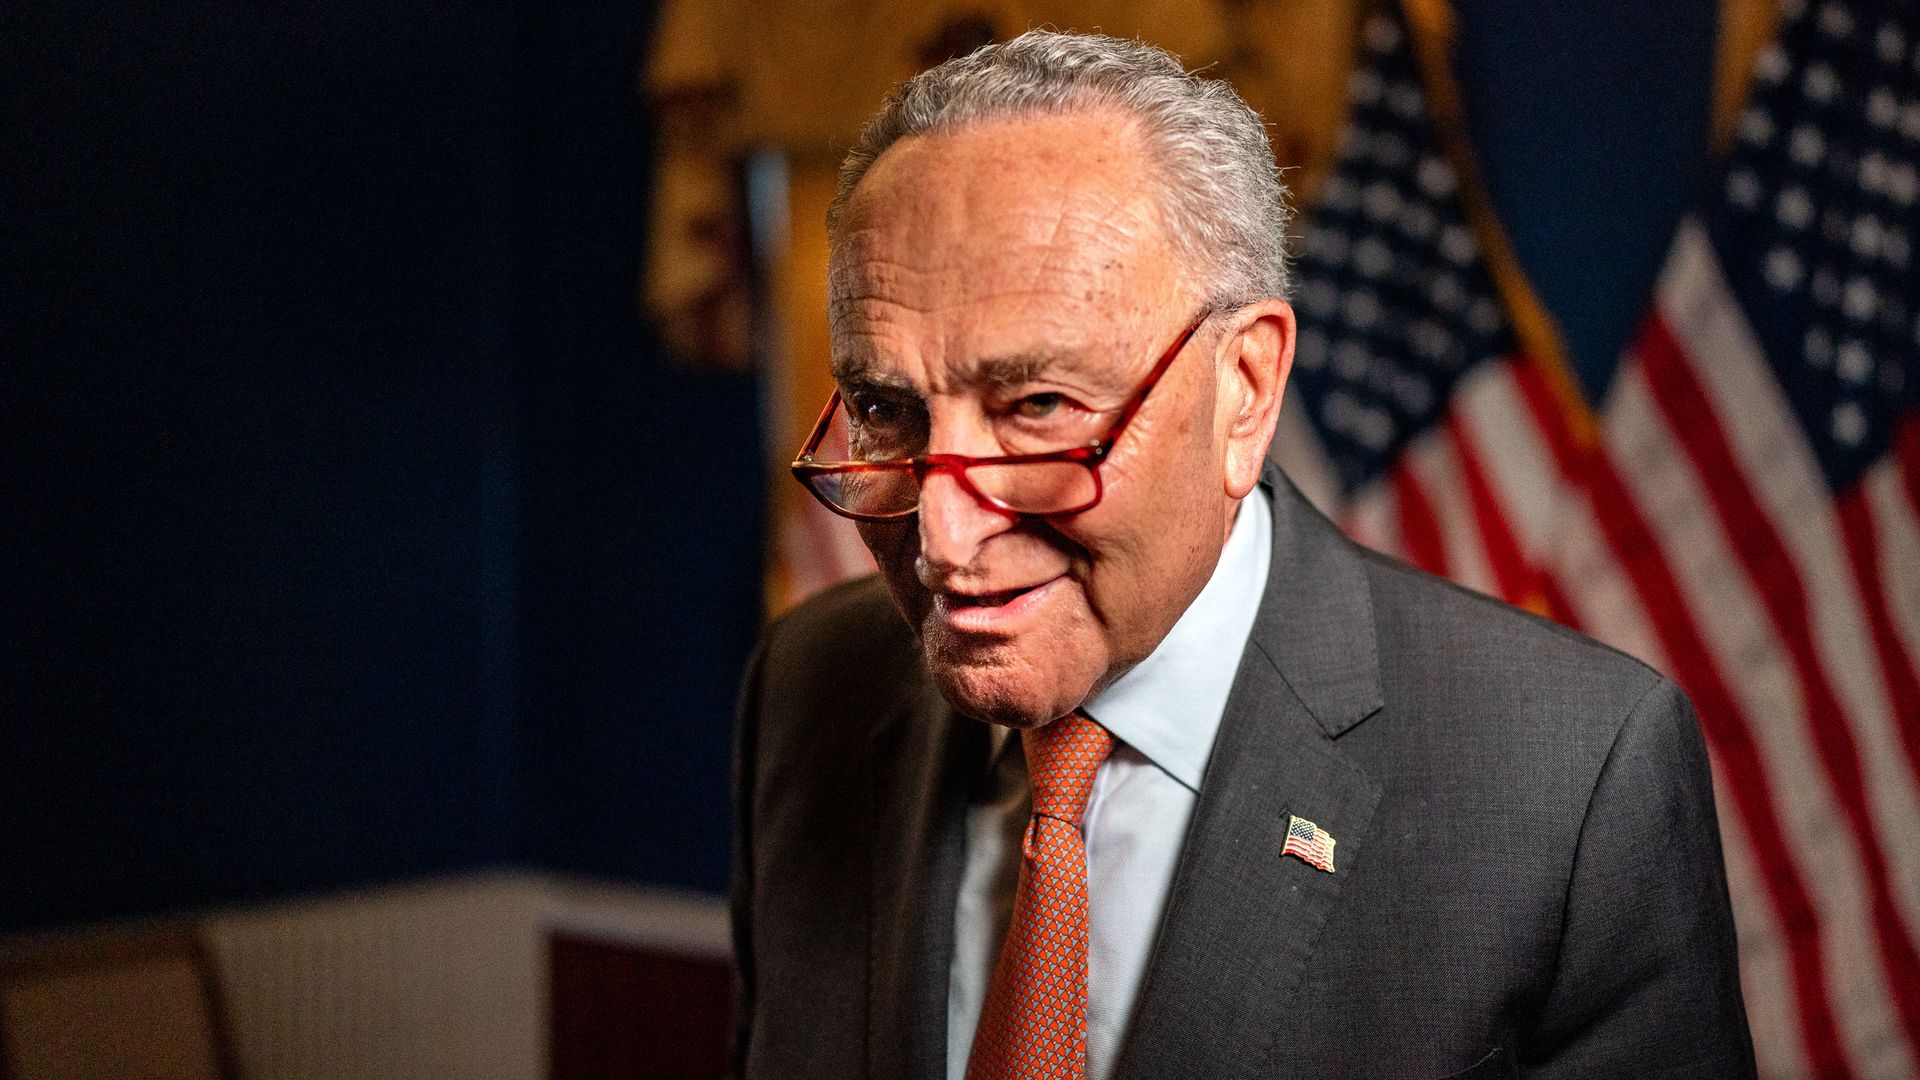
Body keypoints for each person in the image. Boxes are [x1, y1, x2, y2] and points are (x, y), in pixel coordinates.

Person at [732, 29, 1754, 1080]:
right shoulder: (808, 688)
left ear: (1247, 388)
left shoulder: (1570, 785)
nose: (947, 541)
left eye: (1038, 408)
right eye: (884, 409)